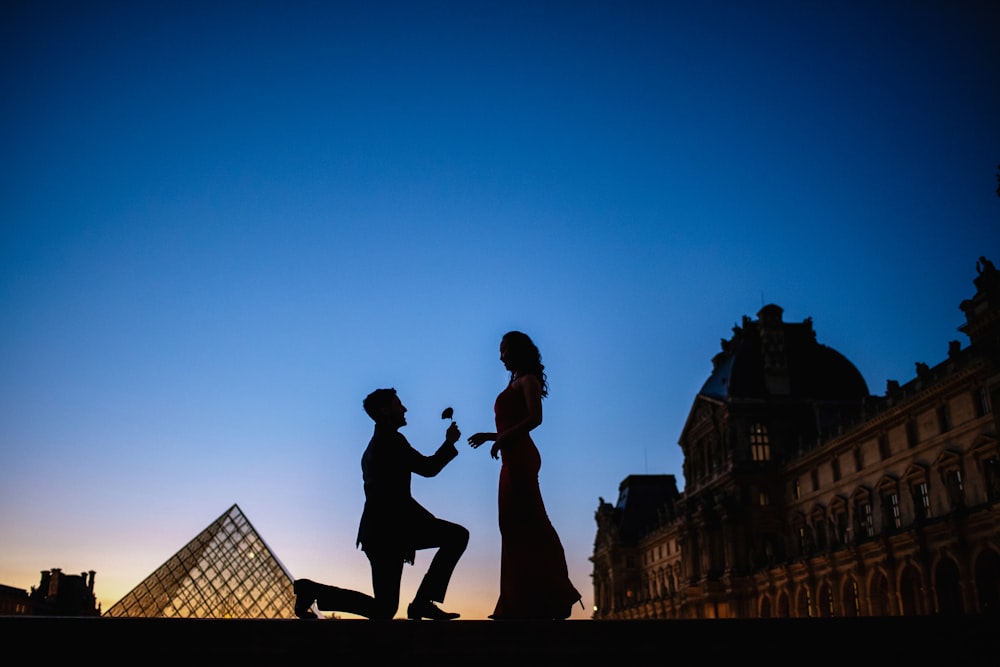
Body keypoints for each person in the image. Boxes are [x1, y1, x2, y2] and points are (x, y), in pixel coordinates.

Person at [293, 388, 469, 620]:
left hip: (380, 533)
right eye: (399, 405)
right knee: (457, 536)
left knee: (385, 609)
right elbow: (429, 468)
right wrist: (448, 443)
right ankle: (423, 603)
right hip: (390, 531)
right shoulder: (391, 441)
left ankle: (312, 590)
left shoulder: (376, 444)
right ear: (385, 411)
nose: (404, 409)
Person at [468, 331, 582, 619]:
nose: (500, 355)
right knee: (516, 526)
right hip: (512, 456)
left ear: (517, 351)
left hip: (520, 459)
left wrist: (502, 438)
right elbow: (515, 425)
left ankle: (548, 596)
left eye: (504, 349)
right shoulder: (518, 382)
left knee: (529, 524)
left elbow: (535, 418)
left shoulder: (528, 381)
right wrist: (492, 436)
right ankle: (530, 600)